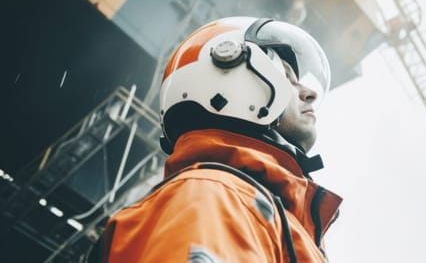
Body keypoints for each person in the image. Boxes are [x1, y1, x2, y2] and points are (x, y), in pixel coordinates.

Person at [100, 17, 342, 262]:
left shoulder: (257, 210)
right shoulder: (216, 196)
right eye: (288, 78)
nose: (309, 93)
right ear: (232, 74)